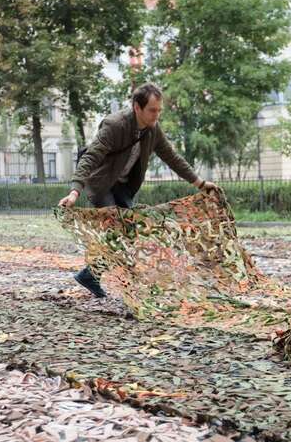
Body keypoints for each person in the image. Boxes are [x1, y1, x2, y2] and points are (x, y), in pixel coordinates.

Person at [58, 82, 221, 298]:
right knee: (117, 232)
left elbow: (172, 157)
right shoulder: (114, 125)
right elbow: (91, 157)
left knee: (130, 234)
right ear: (137, 107)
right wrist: (74, 192)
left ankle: (90, 275)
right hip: (102, 184)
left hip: (124, 186)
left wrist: (199, 183)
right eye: (152, 110)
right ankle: (127, 286)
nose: (157, 115)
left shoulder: (153, 130)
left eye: (159, 110)